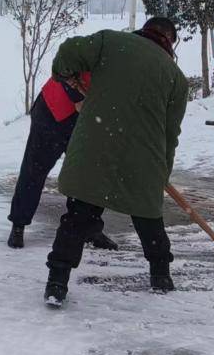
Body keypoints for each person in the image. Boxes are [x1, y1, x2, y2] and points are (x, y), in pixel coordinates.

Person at [42, 17, 188, 307]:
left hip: (97, 145)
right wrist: (162, 171)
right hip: (144, 156)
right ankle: (161, 276)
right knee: (148, 218)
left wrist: (63, 73)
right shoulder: (176, 78)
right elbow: (171, 134)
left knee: (78, 216)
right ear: (170, 41)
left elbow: (69, 51)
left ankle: (57, 283)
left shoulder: (110, 42)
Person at [5, 72, 117, 250]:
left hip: (86, 119)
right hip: (52, 110)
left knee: (91, 173)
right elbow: (64, 66)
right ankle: (19, 224)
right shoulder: (95, 45)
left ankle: (90, 228)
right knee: (35, 169)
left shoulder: (131, 63)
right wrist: (76, 96)